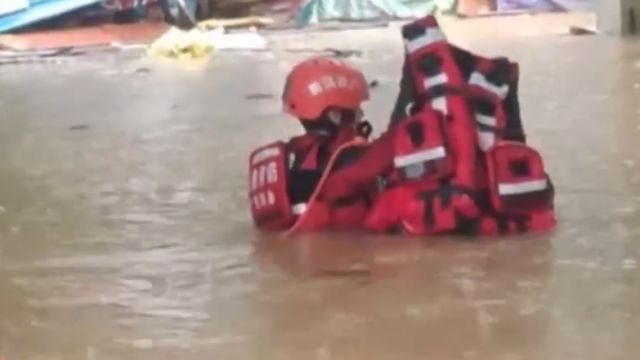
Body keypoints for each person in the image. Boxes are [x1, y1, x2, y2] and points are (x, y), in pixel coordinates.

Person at [318, 15, 557, 236]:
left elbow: (346, 182)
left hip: (441, 217)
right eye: (357, 110)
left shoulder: (341, 161)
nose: (360, 114)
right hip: (496, 213)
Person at [248, 56, 376, 233]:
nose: (361, 115)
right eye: (355, 110)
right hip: (336, 251)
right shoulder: (348, 157)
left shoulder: (291, 154)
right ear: (335, 116)